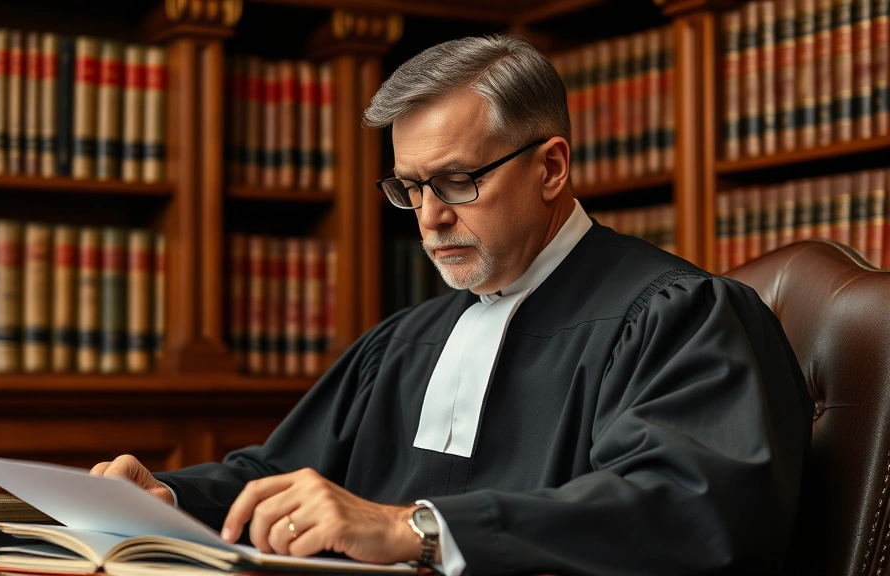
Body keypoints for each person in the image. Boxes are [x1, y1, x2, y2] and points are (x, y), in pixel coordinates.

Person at [91, 34, 813, 575]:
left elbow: (686, 510)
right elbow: (278, 475)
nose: (429, 217)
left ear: (551, 167)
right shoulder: (406, 339)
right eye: (410, 187)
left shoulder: (679, 315)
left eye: (458, 180)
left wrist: (418, 528)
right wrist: (166, 497)